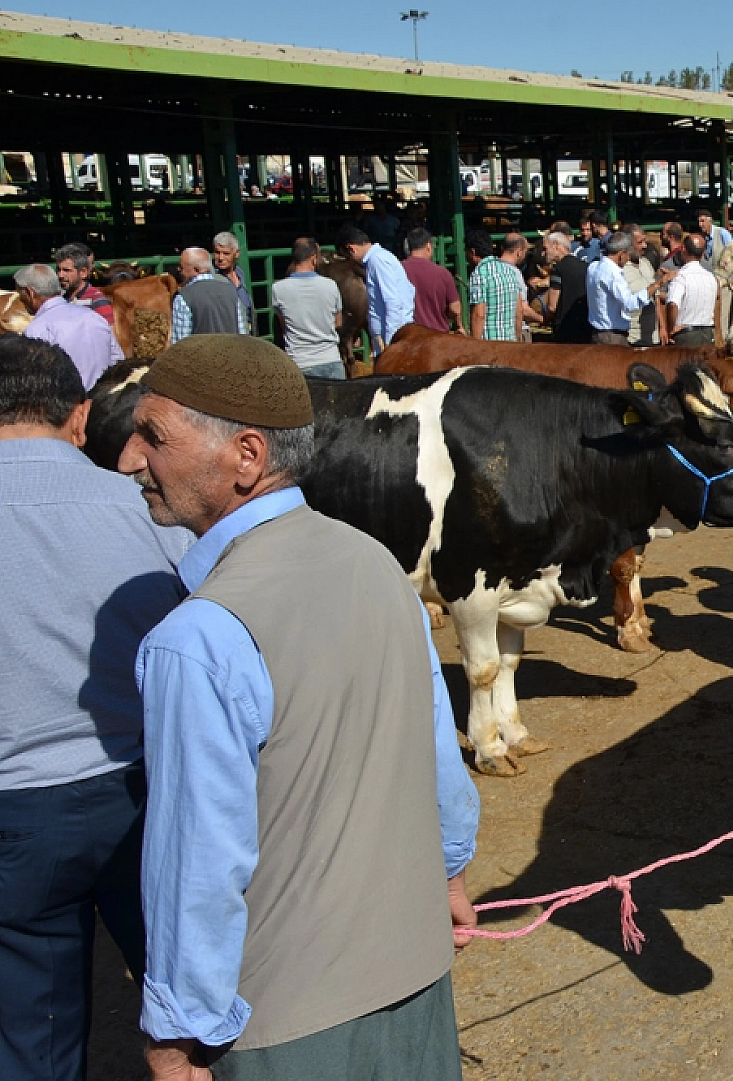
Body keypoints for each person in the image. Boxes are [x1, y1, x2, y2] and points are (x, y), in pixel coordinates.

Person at [118, 334, 480, 1081]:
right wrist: (447, 874)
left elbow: (198, 862)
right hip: (414, 972)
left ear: (247, 455)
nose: (128, 459)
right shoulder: (375, 563)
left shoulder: (197, 638)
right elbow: (436, 753)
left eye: (153, 436)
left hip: (286, 1021)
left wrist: (178, 1033)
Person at [0, 337, 190, 1081]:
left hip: (7, 809)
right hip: (141, 788)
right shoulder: (146, 509)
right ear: (79, 416)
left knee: (29, 1031)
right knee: (187, 987)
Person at [17, 263, 123, 388]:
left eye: (20, 294)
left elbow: (34, 381)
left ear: (30, 293)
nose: (20, 299)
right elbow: (118, 362)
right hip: (101, 397)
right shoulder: (94, 317)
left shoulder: (37, 330)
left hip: (65, 399)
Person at [268, 238, 345, 378]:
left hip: (300, 362)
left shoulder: (278, 289)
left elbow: (284, 326)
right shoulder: (331, 285)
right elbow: (338, 322)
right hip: (330, 359)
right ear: (314, 258)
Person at [335, 224, 415, 349]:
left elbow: (392, 301)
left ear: (351, 249)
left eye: (347, 257)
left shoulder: (377, 260)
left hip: (391, 337)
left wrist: (390, 342)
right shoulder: (379, 258)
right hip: (390, 336)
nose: (350, 261)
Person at [587, 230, 663, 345]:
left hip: (598, 333)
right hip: (612, 337)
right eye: (627, 255)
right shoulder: (613, 274)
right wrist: (658, 284)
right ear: (622, 254)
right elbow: (630, 304)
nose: (628, 259)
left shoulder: (592, 267)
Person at [171, 248, 246, 343]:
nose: (179, 270)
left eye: (182, 267)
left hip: (200, 352)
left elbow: (180, 343)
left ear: (196, 269)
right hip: (231, 350)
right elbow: (242, 332)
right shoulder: (231, 291)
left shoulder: (183, 297)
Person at [464, 229, 526, 342]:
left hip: (489, 345)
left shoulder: (479, 274)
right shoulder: (509, 271)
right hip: (510, 343)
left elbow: (479, 315)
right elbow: (519, 311)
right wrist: (517, 340)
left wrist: (474, 345)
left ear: (472, 252)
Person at [400, 227, 462, 334]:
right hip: (438, 336)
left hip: (409, 336)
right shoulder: (442, 273)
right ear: (428, 246)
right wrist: (458, 325)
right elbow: (455, 309)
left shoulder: (398, 270)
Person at [663, 234, 719, 346]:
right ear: (702, 253)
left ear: (683, 249)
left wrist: (670, 329)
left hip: (686, 335)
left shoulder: (681, 277)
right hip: (708, 333)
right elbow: (717, 301)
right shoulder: (711, 278)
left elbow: (673, 304)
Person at [541, 231, 592, 343]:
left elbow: (552, 306)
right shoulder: (586, 267)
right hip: (585, 328)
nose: (543, 253)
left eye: (545, 249)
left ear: (556, 245)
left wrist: (545, 319)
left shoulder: (558, 270)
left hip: (564, 330)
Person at [53, 242, 114, 324]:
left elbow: (108, 330)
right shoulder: (59, 300)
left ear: (83, 272)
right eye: (58, 270)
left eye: (66, 270)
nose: (60, 275)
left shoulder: (97, 301)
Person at [621, 225, 660, 345]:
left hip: (653, 336)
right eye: (640, 242)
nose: (645, 246)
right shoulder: (621, 270)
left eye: (645, 241)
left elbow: (656, 298)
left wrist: (663, 327)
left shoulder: (646, 263)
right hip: (633, 337)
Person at [211, 232, 254, 335]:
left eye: (226, 253)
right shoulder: (211, 277)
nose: (221, 258)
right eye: (217, 252)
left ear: (236, 253)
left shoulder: (239, 272)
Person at [695, 209, 733, 279]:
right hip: (709, 276)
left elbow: (732, 249)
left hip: (724, 276)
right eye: (699, 222)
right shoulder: (702, 237)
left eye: (702, 221)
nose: (700, 224)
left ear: (710, 221)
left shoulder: (722, 233)